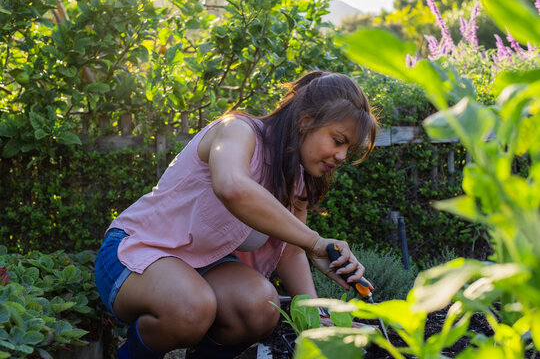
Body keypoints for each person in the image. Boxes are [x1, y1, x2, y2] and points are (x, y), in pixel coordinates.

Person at [94, 71, 378, 359]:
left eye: (348, 148)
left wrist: (315, 318)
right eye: (338, 140)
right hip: (134, 252)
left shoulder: (296, 179)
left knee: (261, 306)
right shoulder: (237, 131)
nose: (342, 156)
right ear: (306, 121)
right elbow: (232, 186)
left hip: (203, 267)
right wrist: (315, 242)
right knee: (191, 305)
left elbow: (291, 252)